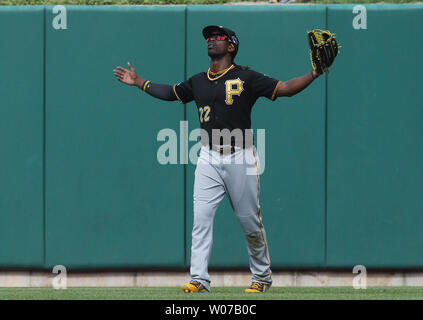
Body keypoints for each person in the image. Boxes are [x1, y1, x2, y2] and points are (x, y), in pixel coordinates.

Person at [113, 25, 320, 293]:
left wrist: (314, 73)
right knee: (201, 219)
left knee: (249, 223)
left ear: (231, 46)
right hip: (208, 156)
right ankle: (199, 278)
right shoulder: (198, 80)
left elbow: (285, 88)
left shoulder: (247, 77)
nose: (211, 40)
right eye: (209, 37)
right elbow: (172, 92)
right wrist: (140, 82)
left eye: (218, 37)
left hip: (240, 155)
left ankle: (261, 277)